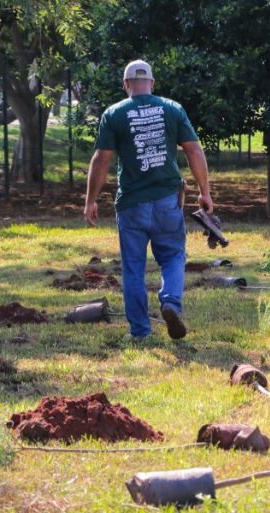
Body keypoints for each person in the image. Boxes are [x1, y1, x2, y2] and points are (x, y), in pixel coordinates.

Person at [84, 59, 214, 340]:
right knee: (173, 256)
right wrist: (205, 192)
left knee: (133, 267)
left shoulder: (114, 113)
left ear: (126, 84)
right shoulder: (172, 109)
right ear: (152, 83)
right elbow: (193, 150)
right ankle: (170, 302)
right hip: (167, 201)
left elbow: (101, 158)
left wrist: (91, 200)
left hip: (131, 204)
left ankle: (140, 331)